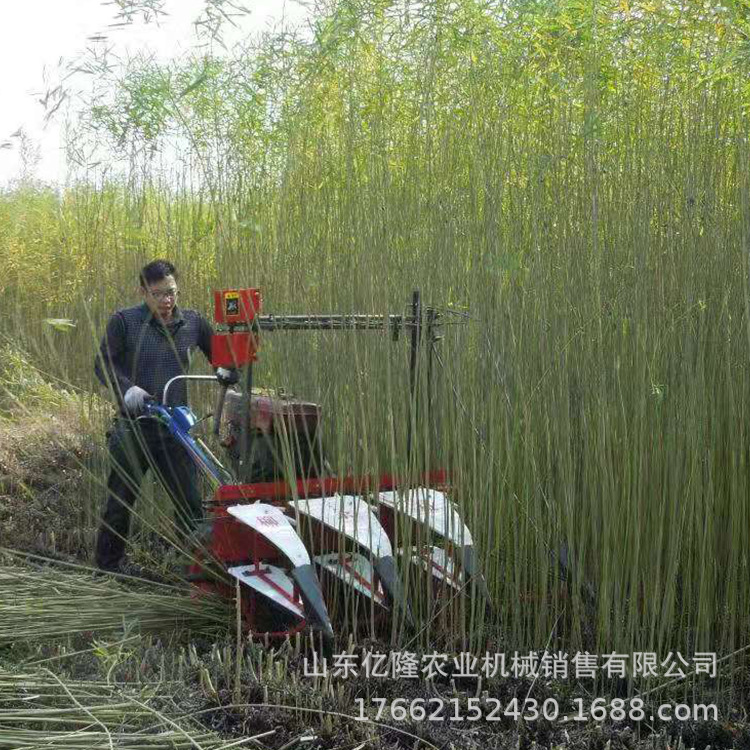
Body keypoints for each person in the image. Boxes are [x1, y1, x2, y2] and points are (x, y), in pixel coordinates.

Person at [93, 259, 235, 572]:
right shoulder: (125, 322)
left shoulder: (193, 323)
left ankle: (199, 572)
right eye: (157, 294)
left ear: (177, 288)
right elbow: (102, 363)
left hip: (175, 428)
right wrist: (126, 389)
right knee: (119, 502)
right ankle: (107, 570)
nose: (166, 300)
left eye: (170, 292)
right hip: (134, 427)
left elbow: (221, 358)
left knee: (190, 504)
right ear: (142, 292)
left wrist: (225, 368)